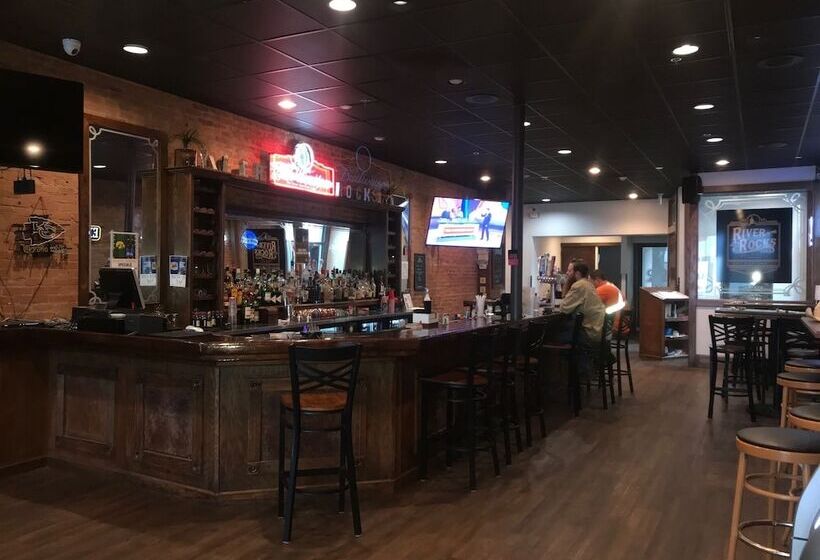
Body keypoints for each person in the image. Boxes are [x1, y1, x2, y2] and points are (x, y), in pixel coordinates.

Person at [559, 263, 605, 345]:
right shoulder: (589, 284)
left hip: (587, 333)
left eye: (570, 271)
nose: (567, 273)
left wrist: (567, 281)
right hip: (595, 330)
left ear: (577, 273)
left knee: (549, 334)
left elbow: (563, 308)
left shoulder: (579, 285)